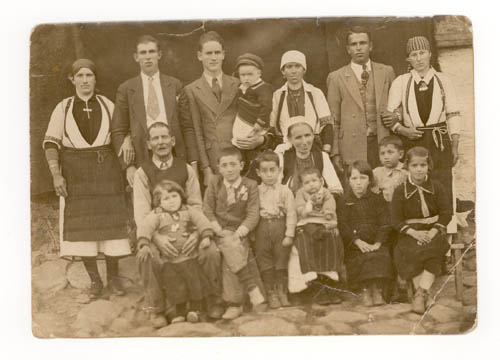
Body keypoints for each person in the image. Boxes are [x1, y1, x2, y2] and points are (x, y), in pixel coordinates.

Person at [43, 59, 130, 299]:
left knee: (111, 225)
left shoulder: (107, 104)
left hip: (107, 172)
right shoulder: (63, 108)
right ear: (72, 80)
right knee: (83, 228)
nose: (84, 80)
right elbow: (51, 142)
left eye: (89, 75)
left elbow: (121, 134)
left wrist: (128, 141)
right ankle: (95, 282)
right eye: (79, 76)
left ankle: (113, 281)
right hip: (75, 173)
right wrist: (56, 174)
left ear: (95, 79)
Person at [134, 122, 223, 326]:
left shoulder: (186, 169)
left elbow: (195, 205)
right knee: (147, 255)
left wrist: (196, 234)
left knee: (210, 252)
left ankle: (212, 300)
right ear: (148, 144)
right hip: (158, 232)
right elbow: (141, 213)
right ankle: (157, 308)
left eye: (164, 137)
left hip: (188, 230)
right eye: (155, 138)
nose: (161, 142)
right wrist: (156, 238)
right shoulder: (142, 173)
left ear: (172, 141)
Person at [386, 35, 461, 214]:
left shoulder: (444, 80)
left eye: (422, 53)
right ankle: (420, 225)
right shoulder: (401, 82)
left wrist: (455, 145)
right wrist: (404, 131)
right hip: (414, 139)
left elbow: (453, 114)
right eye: (413, 54)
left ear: (430, 54)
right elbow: (389, 117)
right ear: (408, 59)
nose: (418, 58)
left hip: (439, 139)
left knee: (442, 180)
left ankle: (446, 228)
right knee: (416, 179)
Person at [181, 31, 267, 186]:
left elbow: (257, 113)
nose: (213, 57)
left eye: (217, 53)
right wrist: (206, 168)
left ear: (223, 55)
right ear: (200, 56)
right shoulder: (191, 90)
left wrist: (256, 139)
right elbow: (197, 131)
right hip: (214, 159)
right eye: (208, 53)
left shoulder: (238, 83)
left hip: (240, 154)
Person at [111, 35, 198, 187]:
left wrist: (193, 163)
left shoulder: (175, 85)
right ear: (136, 57)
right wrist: (128, 166)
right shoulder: (126, 89)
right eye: (143, 53)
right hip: (143, 157)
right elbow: (118, 130)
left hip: (175, 155)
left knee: (177, 200)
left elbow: (187, 127)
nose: (148, 57)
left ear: (159, 55)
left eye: (151, 52)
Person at [276, 122, 343, 302]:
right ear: (289, 139)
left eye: (308, 135)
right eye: (298, 137)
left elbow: (336, 187)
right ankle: (304, 287)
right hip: (293, 211)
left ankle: (326, 284)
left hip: (321, 211)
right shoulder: (284, 157)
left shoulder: (321, 156)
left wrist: (323, 202)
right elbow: (277, 188)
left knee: (329, 236)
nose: (304, 141)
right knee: (303, 238)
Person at [136, 180, 215, 324]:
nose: (172, 201)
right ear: (159, 202)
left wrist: (206, 236)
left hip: (189, 257)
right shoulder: (157, 215)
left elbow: (202, 221)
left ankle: (195, 311)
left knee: (194, 282)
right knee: (175, 285)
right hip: (170, 260)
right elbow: (145, 228)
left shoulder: (188, 210)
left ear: (181, 196)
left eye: (174, 196)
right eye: (166, 198)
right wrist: (144, 244)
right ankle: (178, 313)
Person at [203, 147, 266, 320]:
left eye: (233, 164)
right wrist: (218, 230)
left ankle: (234, 303)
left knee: (231, 247)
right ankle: (250, 289)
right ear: (218, 168)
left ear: (241, 165)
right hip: (217, 231)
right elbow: (207, 209)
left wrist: (239, 232)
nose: (229, 169)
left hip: (239, 232)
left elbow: (253, 213)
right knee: (218, 251)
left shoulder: (250, 185)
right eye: (224, 165)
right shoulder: (214, 183)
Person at [391, 147, 451, 314]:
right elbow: (395, 220)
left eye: (423, 165)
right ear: (407, 167)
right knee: (411, 250)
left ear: (428, 166)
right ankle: (425, 295)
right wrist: (413, 232)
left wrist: (433, 231)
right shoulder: (400, 190)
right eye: (414, 165)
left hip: (433, 230)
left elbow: (446, 212)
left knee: (434, 249)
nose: (419, 169)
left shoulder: (437, 187)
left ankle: (420, 294)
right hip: (411, 232)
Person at [326, 26, 396, 171]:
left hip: (382, 143)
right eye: (354, 44)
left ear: (370, 46)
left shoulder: (387, 72)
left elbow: (397, 105)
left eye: (363, 43)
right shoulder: (336, 77)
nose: (358, 48)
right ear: (348, 49)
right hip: (352, 146)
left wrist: (396, 115)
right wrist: (336, 152)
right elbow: (333, 120)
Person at [337, 161, 392, 307]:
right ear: (348, 181)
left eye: (362, 178)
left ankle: (377, 289)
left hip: (375, 242)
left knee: (379, 255)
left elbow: (385, 223)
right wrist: (357, 241)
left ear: (369, 180)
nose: (358, 183)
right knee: (359, 258)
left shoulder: (377, 199)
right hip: (356, 244)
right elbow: (343, 225)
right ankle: (365, 290)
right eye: (354, 179)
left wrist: (378, 243)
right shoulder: (344, 201)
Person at [293, 167, 344, 305]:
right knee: (306, 236)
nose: (311, 185)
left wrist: (328, 212)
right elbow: (298, 207)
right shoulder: (301, 193)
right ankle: (318, 288)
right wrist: (304, 209)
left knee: (331, 239)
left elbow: (330, 204)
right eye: (307, 182)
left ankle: (330, 287)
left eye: (314, 180)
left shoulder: (326, 193)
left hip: (324, 222)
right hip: (307, 222)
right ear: (302, 185)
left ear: (321, 181)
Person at [253, 151, 296, 308]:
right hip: (262, 228)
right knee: (265, 260)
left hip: (280, 226)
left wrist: (289, 234)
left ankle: (282, 291)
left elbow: (291, 213)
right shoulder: (255, 191)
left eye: (273, 170)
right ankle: (270, 292)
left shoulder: (285, 191)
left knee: (281, 259)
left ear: (279, 170)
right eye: (264, 171)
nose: (269, 175)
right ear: (258, 173)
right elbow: (251, 211)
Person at [270, 50, 334, 153]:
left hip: (312, 146)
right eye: (289, 67)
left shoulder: (315, 93)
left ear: (304, 70)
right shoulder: (277, 95)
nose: (293, 71)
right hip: (286, 149)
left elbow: (326, 125)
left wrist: (326, 151)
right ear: (283, 71)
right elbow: (272, 126)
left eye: (297, 66)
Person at [231, 53, 273, 176]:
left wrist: (259, 124)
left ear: (259, 74)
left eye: (250, 74)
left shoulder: (263, 88)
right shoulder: (241, 87)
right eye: (243, 75)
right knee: (240, 148)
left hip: (254, 124)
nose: (246, 78)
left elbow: (266, 108)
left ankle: (253, 172)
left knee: (252, 149)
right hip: (241, 121)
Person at [372, 135, 408, 202]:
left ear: (400, 154)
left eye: (390, 152)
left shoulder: (406, 171)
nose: (386, 157)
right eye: (382, 153)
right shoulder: (376, 172)